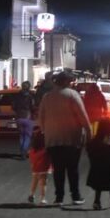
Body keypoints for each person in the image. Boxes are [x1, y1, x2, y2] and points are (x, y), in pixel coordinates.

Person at [37, 70, 91, 205]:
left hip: (53, 139)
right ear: (67, 82)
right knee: (73, 169)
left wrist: (45, 131)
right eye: (71, 81)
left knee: (58, 170)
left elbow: (41, 117)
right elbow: (83, 116)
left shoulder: (47, 97)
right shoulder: (72, 95)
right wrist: (89, 133)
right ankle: (75, 196)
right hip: (72, 139)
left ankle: (59, 197)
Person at [86, 116, 110, 210]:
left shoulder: (96, 140)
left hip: (100, 166)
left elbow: (90, 150)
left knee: (100, 184)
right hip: (109, 166)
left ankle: (98, 201)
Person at [27, 126, 51, 206]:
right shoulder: (45, 150)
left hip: (35, 167)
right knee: (43, 183)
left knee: (35, 180)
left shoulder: (32, 149)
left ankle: (32, 194)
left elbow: (31, 157)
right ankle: (42, 199)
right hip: (43, 167)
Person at [13, 80, 35, 159]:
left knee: (22, 136)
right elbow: (33, 107)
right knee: (27, 136)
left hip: (19, 117)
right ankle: (24, 152)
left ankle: (22, 152)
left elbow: (14, 107)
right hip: (28, 118)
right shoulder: (31, 96)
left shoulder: (17, 96)